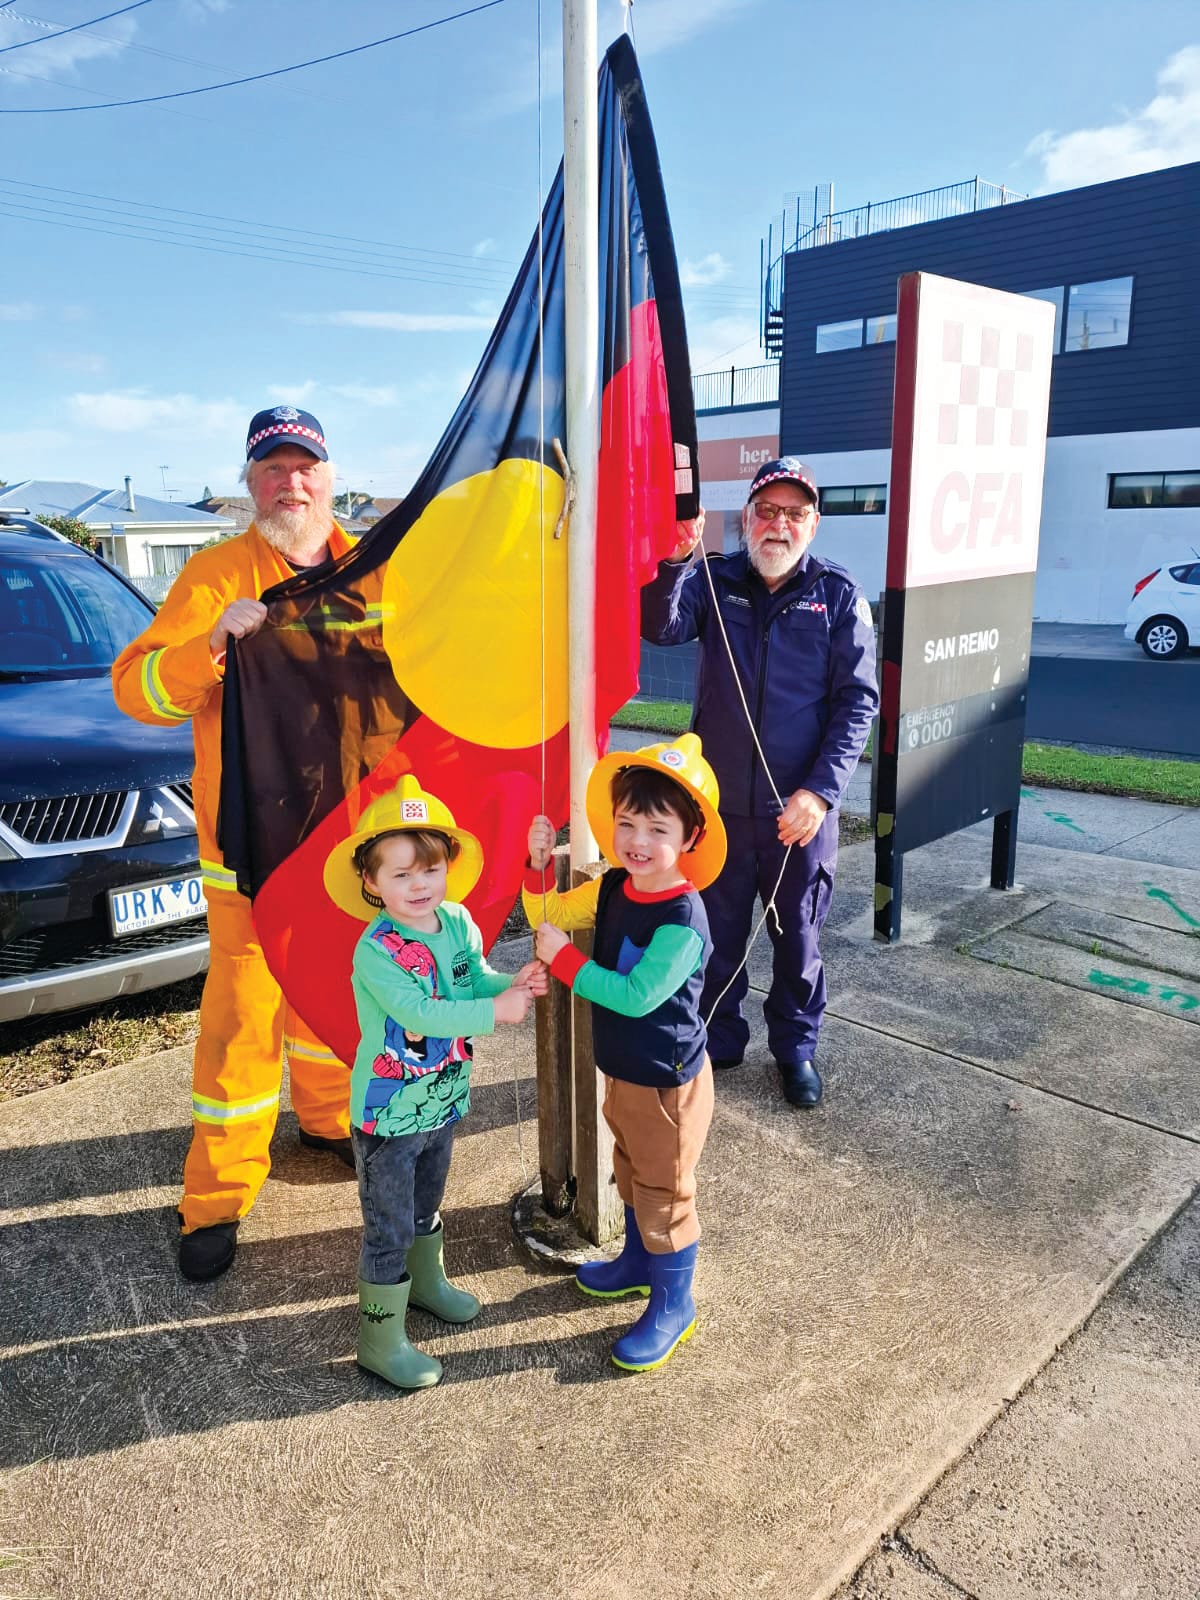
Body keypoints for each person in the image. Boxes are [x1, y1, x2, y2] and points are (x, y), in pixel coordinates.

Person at [112, 406, 362, 1283]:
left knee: (338, 999)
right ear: (250, 484)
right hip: (245, 854)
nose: (289, 484)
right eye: (271, 470)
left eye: (304, 467)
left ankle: (329, 1123)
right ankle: (216, 1198)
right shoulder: (215, 576)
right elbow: (134, 689)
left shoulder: (371, 569)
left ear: (330, 476)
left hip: (344, 849)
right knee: (242, 1027)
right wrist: (210, 648)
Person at [640, 457, 878, 1110]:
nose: (779, 524)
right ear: (746, 518)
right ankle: (719, 1039)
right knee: (713, 936)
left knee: (797, 941)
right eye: (766, 511)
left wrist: (819, 793)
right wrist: (672, 562)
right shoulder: (715, 581)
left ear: (813, 524)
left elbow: (859, 702)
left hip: (797, 817)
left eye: (794, 513)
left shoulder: (837, 595)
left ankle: (795, 1049)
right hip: (717, 812)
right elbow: (658, 627)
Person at [323, 777, 546, 1389]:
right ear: (370, 882)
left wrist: (512, 985)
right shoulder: (377, 950)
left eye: (430, 868)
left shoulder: (456, 922)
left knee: (427, 1203)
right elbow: (420, 1013)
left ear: (448, 866)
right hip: (390, 1115)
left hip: (442, 1096)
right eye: (399, 875)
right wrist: (494, 1014)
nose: (418, 885)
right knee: (388, 1225)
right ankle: (379, 1339)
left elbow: (469, 979)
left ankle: (427, 1285)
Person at [524, 733, 726, 1373]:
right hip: (625, 1073)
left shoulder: (683, 920)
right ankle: (639, 1262)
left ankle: (675, 1302)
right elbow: (549, 911)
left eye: (657, 827)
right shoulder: (614, 887)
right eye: (626, 822)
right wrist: (536, 867)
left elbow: (637, 995)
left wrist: (565, 960)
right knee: (630, 1166)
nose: (637, 839)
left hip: (668, 1084)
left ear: (690, 838)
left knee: (666, 1189)